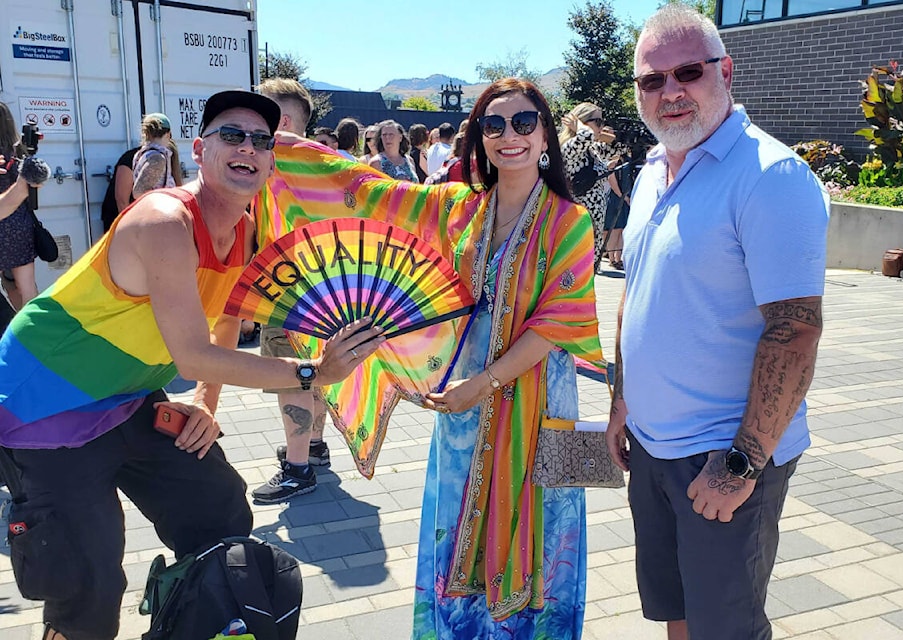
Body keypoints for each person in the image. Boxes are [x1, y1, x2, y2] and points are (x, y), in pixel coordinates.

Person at [0, 90, 383, 640]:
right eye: (232, 135)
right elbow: (194, 353)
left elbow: (227, 321)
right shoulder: (165, 221)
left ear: (271, 160)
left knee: (218, 511)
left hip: (127, 397)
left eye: (261, 141)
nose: (247, 147)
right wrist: (313, 373)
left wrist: (204, 400)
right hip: (44, 406)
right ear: (199, 150)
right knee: (86, 584)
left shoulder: (246, 231)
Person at [253, 77, 604, 639]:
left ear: (546, 135)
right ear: (479, 137)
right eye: (494, 124)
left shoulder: (571, 221)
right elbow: (368, 194)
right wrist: (285, 150)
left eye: (523, 122)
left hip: (539, 406)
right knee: (456, 524)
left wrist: (484, 384)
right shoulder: (460, 208)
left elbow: (556, 325)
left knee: (543, 532)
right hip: (463, 410)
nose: (508, 135)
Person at [604, 7, 829, 640]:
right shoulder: (653, 170)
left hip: (722, 455)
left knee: (725, 630)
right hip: (654, 445)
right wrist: (623, 397)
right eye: (653, 80)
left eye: (688, 72)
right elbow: (635, 293)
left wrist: (741, 464)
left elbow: (795, 330)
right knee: (677, 614)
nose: (670, 91)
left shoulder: (770, 176)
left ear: (725, 72)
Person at [252, 78, 334, 503]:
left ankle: (297, 468)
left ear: (280, 122)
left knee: (290, 377)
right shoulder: (321, 161)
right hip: (325, 290)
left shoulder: (277, 158)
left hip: (287, 290)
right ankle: (314, 446)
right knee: (315, 371)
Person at [559, 102, 620, 265]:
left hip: (594, 230)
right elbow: (586, 136)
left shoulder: (592, 150)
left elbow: (618, 147)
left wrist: (602, 133)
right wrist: (579, 125)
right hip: (575, 230)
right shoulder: (569, 148)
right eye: (598, 122)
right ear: (582, 122)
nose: (602, 126)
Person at [0, 102, 41, 308]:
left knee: (8, 285)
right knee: (27, 288)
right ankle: (32, 332)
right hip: (19, 226)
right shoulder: (20, 154)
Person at [131, 113, 179, 200]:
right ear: (168, 134)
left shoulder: (142, 154)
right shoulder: (157, 158)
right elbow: (139, 192)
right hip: (158, 210)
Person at [100, 145, 138, 232]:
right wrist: (129, 229)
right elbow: (122, 201)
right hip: (119, 217)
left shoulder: (168, 157)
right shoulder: (131, 158)